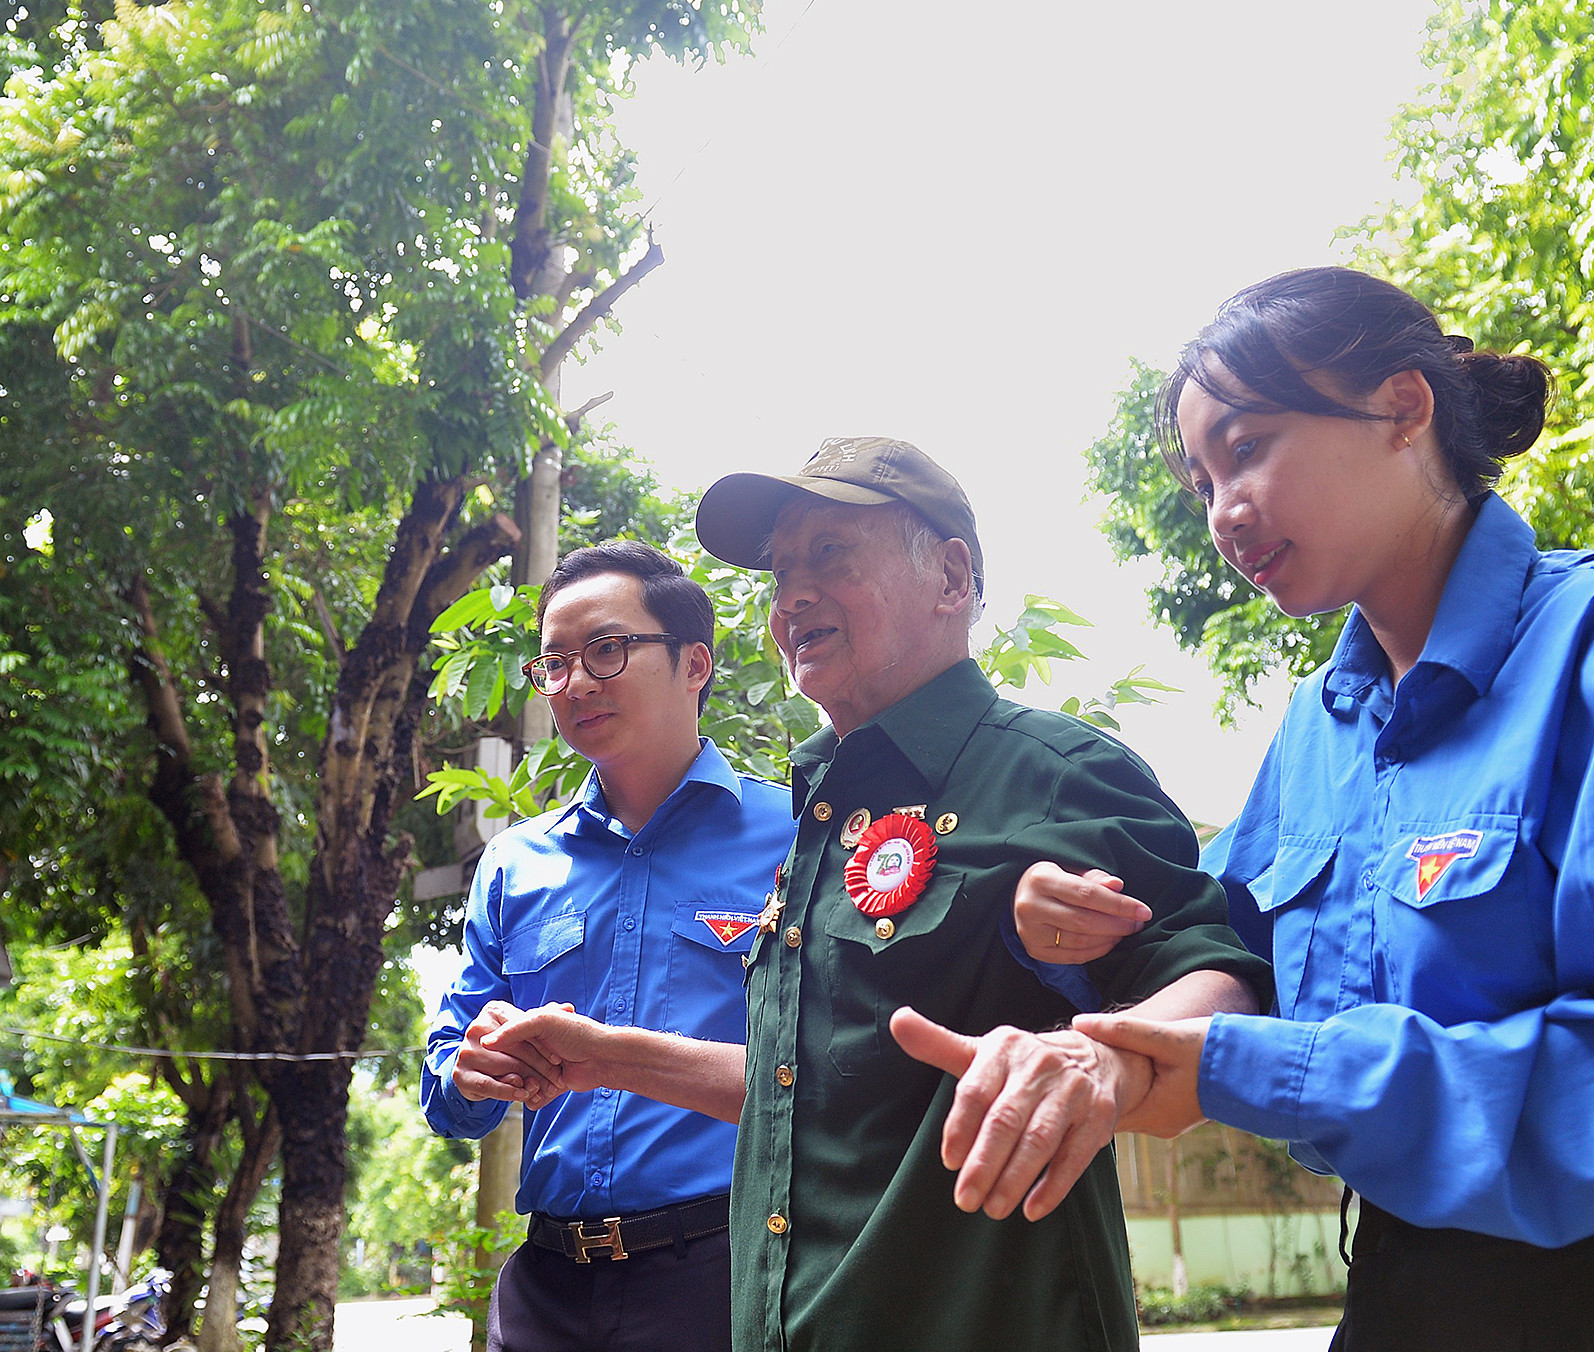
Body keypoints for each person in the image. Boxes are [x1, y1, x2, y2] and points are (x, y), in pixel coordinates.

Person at [1013, 266, 1594, 1351]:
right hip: (1405, 1281)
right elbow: (1229, 952)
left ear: (1402, 408)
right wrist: (1083, 942)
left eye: (1248, 445)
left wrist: (1260, 1065)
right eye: (1201, 479)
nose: (1224, 509)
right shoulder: (1320, 728)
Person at [481, 436, 1272, 1352]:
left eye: (831, 557)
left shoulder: (1055, 774)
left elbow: (1223, 978)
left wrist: (1096, 1058)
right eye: (781, 573)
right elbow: (805, 1092)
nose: (792, 599)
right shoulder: (819, 815)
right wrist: (602, 1056)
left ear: (949, 576)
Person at [421, 541, 793, 1352]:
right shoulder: (515, 863)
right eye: (552, 664)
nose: (575, 682)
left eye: (607, 649)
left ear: (695, 664)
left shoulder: (797, 839)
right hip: (546, 1288)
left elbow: (836, 1073)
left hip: (725, 1272)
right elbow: (446, 1078)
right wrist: (469, 1071)